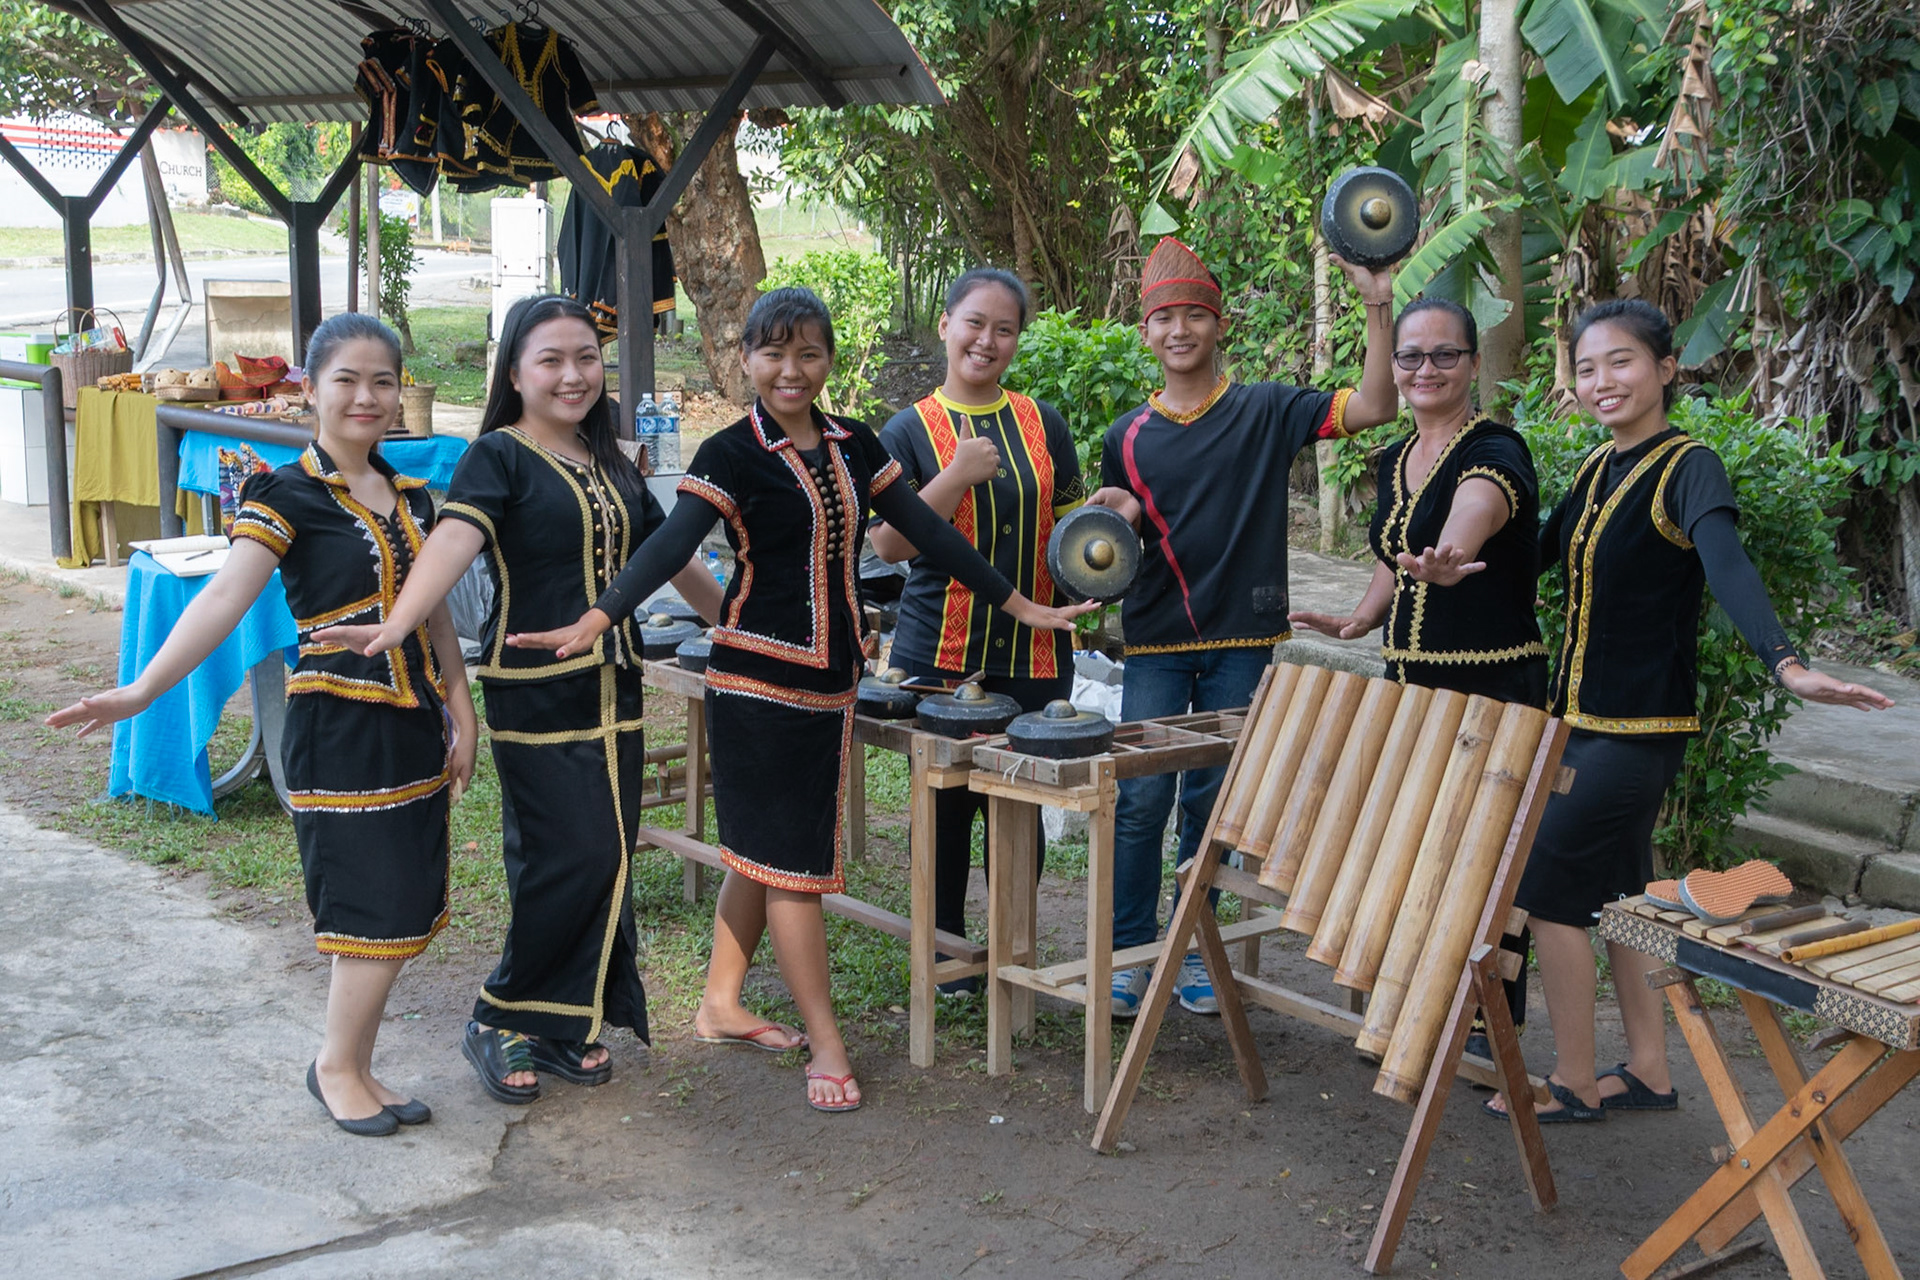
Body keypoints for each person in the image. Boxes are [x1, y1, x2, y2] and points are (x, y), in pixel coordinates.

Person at [506, 287, 1093, 1112]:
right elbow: (673, 543)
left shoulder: (854, 443)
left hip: (834, 682)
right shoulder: (728, 453)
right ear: (745, 358)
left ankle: (719, 1003)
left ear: (827, 362)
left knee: (768, 851)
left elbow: (930, 536)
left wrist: (1019, 603)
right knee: (795, 873)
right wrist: (600, 615)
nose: (791, 370)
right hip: (757, 684)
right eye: (774, 353)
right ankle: (827, 1042)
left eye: (809, 353)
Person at [49, 313, 477, 1137]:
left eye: (382, 380)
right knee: (368, 901)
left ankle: (355, 1062)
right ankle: (335, 1067)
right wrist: (139, 692)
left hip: (415, 723)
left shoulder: (414, 495)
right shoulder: (284, 493)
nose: (366, 396)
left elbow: (434, 617)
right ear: (309, 390)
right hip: (341, 729)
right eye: (346, 379)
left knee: (407, 897)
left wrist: (461, 706)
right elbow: (223, 598)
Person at [1485, 299, 1891, 1123]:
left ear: (1666, 369)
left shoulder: (1688, 465)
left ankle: (1569, 1082)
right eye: (1589, 367)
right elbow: (1534, 560)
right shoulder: (1600, 469)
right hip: (1581, 721)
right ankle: (1649, 1071)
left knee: (1549, 890)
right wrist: (1451, 565)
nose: (1603, 381)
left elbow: (1726, 564)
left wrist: (1787, 663)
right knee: (1618, 902)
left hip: (1640, 731)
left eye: (1623, 362)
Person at [313, 294, 723, 1106]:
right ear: (515, 373)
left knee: (606, 856)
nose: (573, 375)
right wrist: (396, 625)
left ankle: (557, 1025)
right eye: (551, 360)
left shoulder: (609, 461)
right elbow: (453, 544)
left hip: (615, 682)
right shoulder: (497, 456)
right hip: (533, 690)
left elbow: (670, 552)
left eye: (585, 359)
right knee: (565, 857)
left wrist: (738, 629)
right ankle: (498, 1014)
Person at [1084, 236, 1400, 1018]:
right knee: (1141, 803)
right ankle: (1130, 953)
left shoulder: (1265, 409)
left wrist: (1376, 300)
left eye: (1194, 315)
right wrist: (1106, 512)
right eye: (1164, 318)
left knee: (1216, 804)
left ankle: (1194, 947)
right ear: (1146, 332)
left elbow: (1376, 406)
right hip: (1154, 638)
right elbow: (1112, 531)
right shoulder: (1125, 434)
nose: (1179, 329)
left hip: (1242, 639)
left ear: (1218, 325)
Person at [1288, 296, 1544, 1048]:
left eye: (1444, 355)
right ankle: (1421, 996)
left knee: (1484, 857)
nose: (1425, 369)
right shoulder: (1396, 456)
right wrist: (1362, 616)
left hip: (1491, 688)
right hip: (1414, 685)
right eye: (1410, 357)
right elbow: (1395, 550)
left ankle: (1484, 1016)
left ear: (1471, 364)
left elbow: (1477, 509)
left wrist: (1455, 553)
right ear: (1393, 367)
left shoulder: (1495, 448)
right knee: (1422, 851)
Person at [868, 267, 1083, 993]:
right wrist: (957, 474)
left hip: (1038, 647)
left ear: (1017, 340)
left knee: (1021, 803)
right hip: (940, 649)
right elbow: (889, 546)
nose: (986, 341)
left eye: (1004, 329)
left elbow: (1071, 529)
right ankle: (946, 956)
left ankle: (1016, 952)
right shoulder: (908, 428)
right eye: (974, 323)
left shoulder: (1043, 422)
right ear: (945, 325)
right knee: (946, 810)